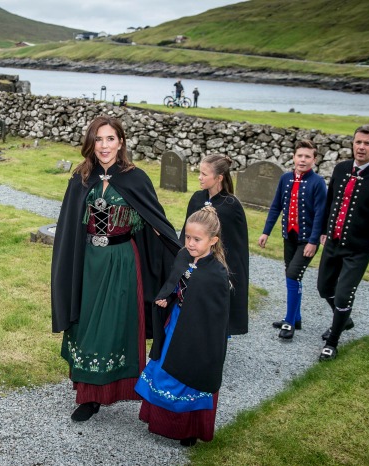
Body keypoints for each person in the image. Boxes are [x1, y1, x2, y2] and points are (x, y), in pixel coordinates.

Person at [51, 115, 180, 422]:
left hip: (122, 261)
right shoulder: (81, 178)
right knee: (86, 327)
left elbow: (156, 223)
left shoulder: (136, 178)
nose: (104, 146)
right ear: (90, 143)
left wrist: (184, 257)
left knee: (113, 326)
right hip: (88, 263)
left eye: (110, 139)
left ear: (121, 142)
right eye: (99, 139)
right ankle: (89, 397)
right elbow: (69, 229)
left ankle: (112, 390)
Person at [136, 206, 230, 446]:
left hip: (197, 334)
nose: (190, 243)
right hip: (176, 324)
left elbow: (215, 314)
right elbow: (174, 283)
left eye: (197, 239)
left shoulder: (217, 273)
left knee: (187, 375)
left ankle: (188, 429)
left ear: (213, 240)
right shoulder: (182, 257)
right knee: (165, 369)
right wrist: (167, 297)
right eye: (187, 237)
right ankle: (160, 420)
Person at [317, 124, 369, 361]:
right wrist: (323, 229)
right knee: (324, 288)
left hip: (359, 250)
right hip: (332, 243)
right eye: (358, 142)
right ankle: (345, 319)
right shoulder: (341, 169)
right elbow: (330, 201)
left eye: (367, 143)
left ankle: (332, 341)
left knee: (343, 296)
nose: (361, 147)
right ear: (353, 143)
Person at [258, 140, 327, 340]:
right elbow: (276, 206)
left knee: (293, 275)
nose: (303, 160)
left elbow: (321, 214)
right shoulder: (286, 178)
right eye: (300, 156)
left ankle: (289, 321)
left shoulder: (317, 182)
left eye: (307, 156)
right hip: (290, 236)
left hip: (307, 240)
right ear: (294, 157)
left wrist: (313, 242)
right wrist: (266, 232)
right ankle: (295, 317)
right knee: (292, 275)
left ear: (314, 159)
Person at [181, 154, 249, 335]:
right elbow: (185, 235)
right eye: (199, 172)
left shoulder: (231, 205)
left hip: (216, 272)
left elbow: (236, 248)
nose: (199, 177)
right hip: (193, 268)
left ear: (219, 178)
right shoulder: (196, 198)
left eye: (204, 174)